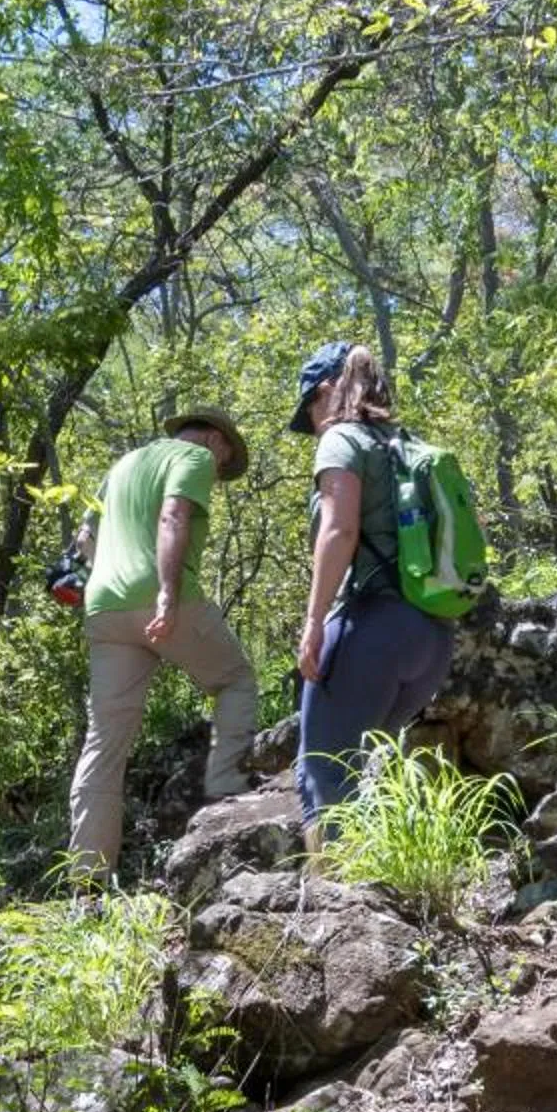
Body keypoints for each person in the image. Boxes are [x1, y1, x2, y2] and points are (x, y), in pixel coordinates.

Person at [65, 407, 258, 874]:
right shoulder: (192, 458)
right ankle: (225, 789)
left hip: (104, 606)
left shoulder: (122, 466)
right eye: (223, 459)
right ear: (214, 440)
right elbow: (174, 517)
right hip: (161, 597)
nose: (216, 473)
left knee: (106, 742)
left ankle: (87, 880)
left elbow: (84, 539)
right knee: (236, 680)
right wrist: (168, 595)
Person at [288, 342, 454, 835]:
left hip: (373, 630)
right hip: (432, 638)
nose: (312, 426)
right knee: (366, 771)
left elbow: (339, 532)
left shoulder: (341, 440)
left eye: (310, 412)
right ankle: (391, 892)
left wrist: (314, 622)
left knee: (321, 771)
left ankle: (336, 905)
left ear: (325, 393)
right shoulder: (407, 442)